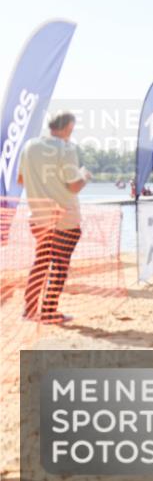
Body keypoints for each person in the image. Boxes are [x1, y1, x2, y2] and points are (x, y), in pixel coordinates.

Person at [16, 111, 91, 324]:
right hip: (64, 217)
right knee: (59, 266)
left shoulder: (29, 146)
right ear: (68, 127)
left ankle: (29, 311)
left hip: (38, 216)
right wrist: (85, 176)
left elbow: (21, 180)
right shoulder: (66, 148)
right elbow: (74, 186)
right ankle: (49, 311)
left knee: (41, 263)